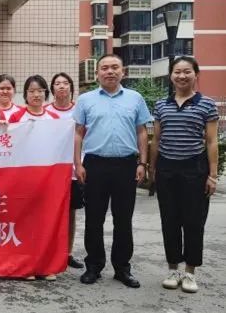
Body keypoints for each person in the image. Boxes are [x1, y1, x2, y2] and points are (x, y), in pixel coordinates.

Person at [73, 54, 151, 288]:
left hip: (126, 165)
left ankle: (122, 268)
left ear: (122, 71)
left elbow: (142, 132)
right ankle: (94, 266)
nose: (110, 71)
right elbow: (78, 133)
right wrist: (78, 164)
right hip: (95, 165)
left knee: (123, 219)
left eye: (114, 67)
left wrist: (142, 163)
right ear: (97, 73)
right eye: (105, 68)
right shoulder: (86, 100)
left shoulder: (135, 98)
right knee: (94, 219)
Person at [150, 56, 219, 293]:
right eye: (177, 72)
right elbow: (157, 140)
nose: (182, 76)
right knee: (169, 220)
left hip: (195, 169)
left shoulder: (207, 104)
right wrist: (152, 168)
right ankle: (173, 269)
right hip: (167, 169)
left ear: (195, 75)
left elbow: (211, 142)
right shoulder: (161, 105)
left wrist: (212, 175)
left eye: (187, 71)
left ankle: (190, 272)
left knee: (194, 222)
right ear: (171, 75)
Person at [8, 74, 58, 281]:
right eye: (32, 91)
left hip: (47, 179)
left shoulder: (54, 119)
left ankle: (45, 266)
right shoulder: (16, 117)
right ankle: (25, 266)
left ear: (46, 93)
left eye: (40, 91)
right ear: (25, 94)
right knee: (24, 222)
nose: (36, 95)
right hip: (23, 178)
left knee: (45, 222)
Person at [46, 72, 85, 270]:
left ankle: (67, 253)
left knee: (70, 213)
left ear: (71, 87)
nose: (61, 86)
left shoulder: (79, 111)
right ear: (52, 89)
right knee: (48, 212)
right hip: (50, 171)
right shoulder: (45, 111)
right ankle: (49, 251)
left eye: (65, 83)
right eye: (57, 83)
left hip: (73, 170)